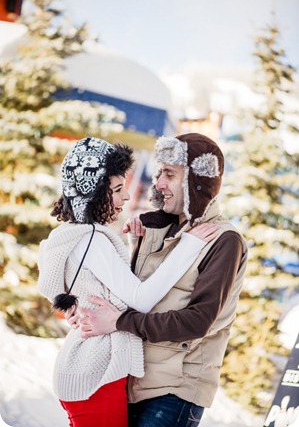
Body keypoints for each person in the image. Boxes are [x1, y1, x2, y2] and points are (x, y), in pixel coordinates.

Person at [37, 136, 220, 427]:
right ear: (94, 193)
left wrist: (135, 246)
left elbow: (111, 287)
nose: (125, 197)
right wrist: (188, 246)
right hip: (95, 373)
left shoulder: (74, 235)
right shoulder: (92, 240)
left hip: (86, 368)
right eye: (118, 189)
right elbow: (140, 299)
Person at [74, 133, 249, 427]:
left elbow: (196, 322)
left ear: (197, 181)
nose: (159, 184)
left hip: (175, 390)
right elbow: (137, 298)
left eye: (170, 174)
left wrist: (118, 321)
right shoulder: (153, 229)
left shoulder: (224, 241)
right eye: (159, 173)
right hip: (132, 381)